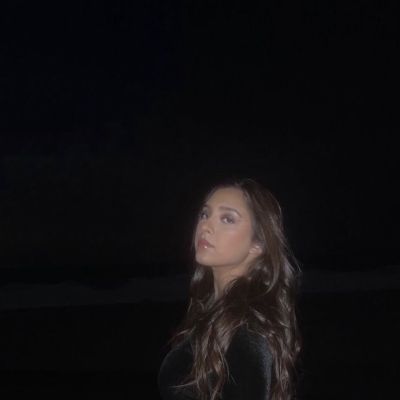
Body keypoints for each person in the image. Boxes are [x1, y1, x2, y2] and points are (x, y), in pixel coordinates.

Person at [158, 177, 302, 400]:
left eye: (227, 219)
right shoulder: (214, 314)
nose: (206, 226)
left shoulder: (248, 331)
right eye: (205, 214)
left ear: (257, 245)